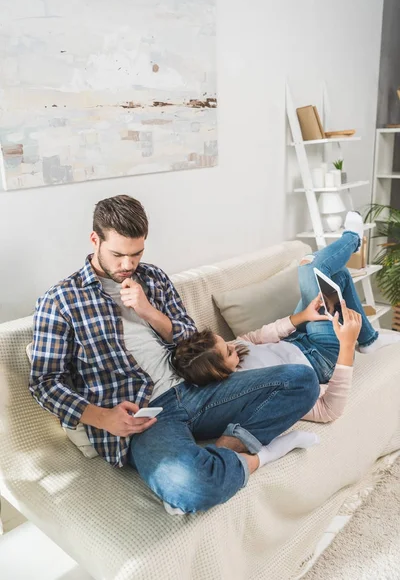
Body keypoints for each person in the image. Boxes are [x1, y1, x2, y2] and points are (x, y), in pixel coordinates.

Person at [29, 195, 320, 515]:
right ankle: (257, 458)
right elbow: (45, 381)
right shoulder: (59, 302)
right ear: (95, 240)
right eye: (118, 255)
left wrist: (149, 312)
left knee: (302, 379)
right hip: (145, 416)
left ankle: (222, 453)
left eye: (136, 253)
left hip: (197, 389)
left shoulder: (152, 278)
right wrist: (103, 418)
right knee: (192, 487)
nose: (128, 265)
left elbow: (193, 341)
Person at [172, 212, 400, 425]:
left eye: (227, 343)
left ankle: (369, 340)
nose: (234, 347)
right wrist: (348, 346)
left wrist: (303, 316)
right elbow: (328, 411)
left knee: (337, 276)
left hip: (298, 337)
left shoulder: (228, 349)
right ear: (219, 374)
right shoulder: (248, 391)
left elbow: (254, 336)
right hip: (321, 357)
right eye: (229, 352)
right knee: (310, 267)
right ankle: (353, 237)